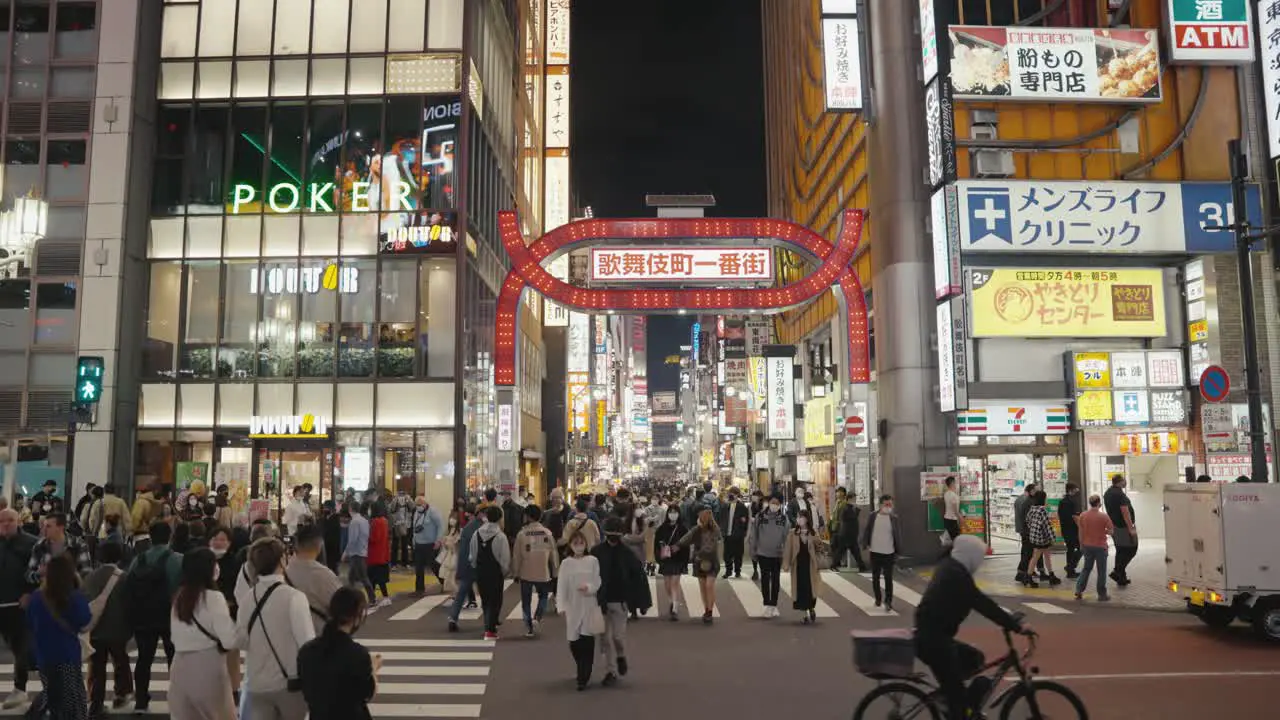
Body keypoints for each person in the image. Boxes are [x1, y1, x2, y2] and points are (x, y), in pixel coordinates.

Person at [915, 535, 1031, 720]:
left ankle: (952, 696)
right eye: (979, 559)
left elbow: (981, 601)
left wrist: (1010, 620)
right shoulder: (956, 575)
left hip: (933, 636)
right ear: (970, 557)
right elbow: (983, 604)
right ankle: (956, 705)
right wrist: (1014, 625)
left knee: (974, 658)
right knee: (958, 702)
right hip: (933, 641)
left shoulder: (951, 567)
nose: (980, 563)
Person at [236, 538, 315, 720]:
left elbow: (241, 641)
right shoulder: (294, 597)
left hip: (255, 683)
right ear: (282, 560)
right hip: (289, 684)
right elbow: (307, 644)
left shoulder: (247, 599)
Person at [169, 547, 238, 720]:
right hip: (207, 665)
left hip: (180, 666)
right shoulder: (214, 598)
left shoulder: (179, 596)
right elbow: (229, 641)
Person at [125, 521, 183, 713]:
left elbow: (128, 586)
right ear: (170, 536)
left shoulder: (138, 560)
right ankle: (177, 699)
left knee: (144, 659)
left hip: (143, 617)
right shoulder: (178, 559)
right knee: (173, 658)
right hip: (169, 616)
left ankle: (141, 701)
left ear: (150, 537)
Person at [24, 554, 90, 720]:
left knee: (52, 694)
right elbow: (84, 620)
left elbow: (30, 622)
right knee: (71, 699)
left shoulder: (36, 598)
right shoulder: (73, 597)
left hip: (44, 656)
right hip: (67, 655)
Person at [298, 587, 381, 720]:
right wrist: (373, 669)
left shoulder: (307, 651)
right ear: (357, 616)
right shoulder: (357, 654)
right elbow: (368, 694)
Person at [592, 516, 646, 686]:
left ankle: (621, 655)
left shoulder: (627, 553)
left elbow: (639, 576)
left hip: (620, 600)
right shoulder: (596, 552)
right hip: (600, 601)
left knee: (617, 637)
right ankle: (610, 671)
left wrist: (641, 602)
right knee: (604, 639)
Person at [83, 540, 133, 716]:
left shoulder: (89, 577)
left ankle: (95, 705)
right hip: (119, 629)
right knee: (120, 660)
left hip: (95, 629)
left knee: (97, 668)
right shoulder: (124, 577)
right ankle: (121, 693)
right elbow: (130, 603)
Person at [0, 508, 36, 710]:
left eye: (10, 520)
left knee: (19, 647)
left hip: (18, 606)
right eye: (2, 521)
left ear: (18, 522)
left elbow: (38, 572)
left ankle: (19, 688)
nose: (6, 524)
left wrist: (30, 593)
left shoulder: (31, 544)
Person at [556, 530, 602, 691]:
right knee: (574, 641)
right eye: (575, 543)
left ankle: (583, 675)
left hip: (589, 603)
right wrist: (560, 605)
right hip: (572, 606)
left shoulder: (593, 561)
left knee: (587, 640)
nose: (579, 546)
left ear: (586, 544)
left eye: (581, 543)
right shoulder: (566, 563)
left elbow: (597, 581)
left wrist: (588, 587)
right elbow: (561, 585)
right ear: (570, 545)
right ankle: (581, 666)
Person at [285, 524, 343, 635]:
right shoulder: (325, 575)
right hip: (319, 638)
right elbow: (342, 605)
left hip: (289, 636)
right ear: (320, 545)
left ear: (296, 545)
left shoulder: (284, 572)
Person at [511, 504, 559, 637]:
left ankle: (529, 627)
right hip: (543, 572)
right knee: (543, 596)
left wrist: (516, 573)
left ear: (527, 516)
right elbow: (554, 554)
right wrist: (555, 571)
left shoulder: (522, 534)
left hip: (526, 572)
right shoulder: (547, 533)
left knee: (525, 600)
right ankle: (537, 617)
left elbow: (517, 556)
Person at [469, 506, 511, 640]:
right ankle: (490, 630)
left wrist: (475, 567)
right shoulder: (500, 536)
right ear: (500, 518)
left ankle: (488, 624)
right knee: (496, 600)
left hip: (481, 570)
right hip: (495, 572)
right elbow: (504, 558)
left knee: (485, 599)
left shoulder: (477, 533)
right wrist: (505, 572)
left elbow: (472, 555)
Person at [674, 509, 723, 623]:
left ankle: (710, 611)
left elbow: (712, 546)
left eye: (699, 519)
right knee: (703, 587)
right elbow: (685, 539)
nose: (698, 521)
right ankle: (707, 609)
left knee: (709, 585)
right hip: (700, 562)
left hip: (711, 561)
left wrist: (698, 553)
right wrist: (677, 546)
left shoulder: (715, 530)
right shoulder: (696, 530)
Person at [861, 494, 903, 611]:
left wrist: (898, 550)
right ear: (880, 505)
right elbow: (867, 530)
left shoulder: (894, 518)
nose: (889, 506)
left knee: (888, 578)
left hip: (889, 552)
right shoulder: (873, 516)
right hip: (875, 551)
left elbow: (897, 535)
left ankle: (888, 601)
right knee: (875, 577)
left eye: (890, 504)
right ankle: (878, 598)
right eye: (886, 504)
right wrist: (865, 543)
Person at [26, 512, 92, 585]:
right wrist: (38, 574)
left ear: (60, 527)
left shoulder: (78, 545)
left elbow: (87, 574)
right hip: (46, 591)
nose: (43, 529)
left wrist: (69, 576)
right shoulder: (39, 546)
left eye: (48, 526)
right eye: (43, 526)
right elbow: (28, 575)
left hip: (71, 591)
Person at [446, 508, 484, 633]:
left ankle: (453, 618)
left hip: (466, 564)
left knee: (461, 594)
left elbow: (462, 550)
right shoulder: (485, 528)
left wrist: (460, 568)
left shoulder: (467, 528)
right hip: (480, 565)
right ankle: (489, 620)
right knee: (486, 594)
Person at [751, 494, 789, 618]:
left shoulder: (783, 519)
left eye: (777, 504)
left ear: (780, 505)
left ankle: (774, 604)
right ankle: (768, 604)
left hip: (777, 554)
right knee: (765, 579)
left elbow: (787, 536)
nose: (774, 505)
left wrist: (786, 553)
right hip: (762, 553)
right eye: (772, 503)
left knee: (776, 580)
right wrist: (753, 550)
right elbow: (754, 534)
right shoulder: (760, 517)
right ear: (768, 503)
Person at [783, 509, 823, 624]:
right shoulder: (792, 533)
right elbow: (788, 550)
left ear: (806, 519)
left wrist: (818, 545)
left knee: (810, 588)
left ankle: (811, 608)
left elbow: (820, 547)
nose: (799, 520)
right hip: (798, 566)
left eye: (801, 517)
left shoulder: (813, 532)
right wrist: (786, 564)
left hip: (810, 565)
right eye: (798, 517)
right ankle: (804, 614)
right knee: (800, 589)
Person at [1074, 493, 1115, 602]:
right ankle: (1102, 595)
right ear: (1099, 503)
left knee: (1086, 568)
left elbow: (1080, 531)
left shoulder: (1083, 515)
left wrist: (1081, 544)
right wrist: (1104, 531)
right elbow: (1111, 531)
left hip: (1087, 546)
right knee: (1101, 571)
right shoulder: (1104, 516)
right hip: (1100, 547)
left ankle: (1079, 590)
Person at [653, 503, 689, 620]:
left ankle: (674, 607)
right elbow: (656, 545)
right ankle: (671, 601)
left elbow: (686, 545)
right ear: (667, 514)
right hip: (666, 559)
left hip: (678, 559)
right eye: (671, 512)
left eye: (675, 512)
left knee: (674, 583)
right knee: (667, 584)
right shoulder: (661, 529)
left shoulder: (683, 529)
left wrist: (685, 559)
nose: (673, 514)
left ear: (679, 514)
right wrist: (659, 557)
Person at [1104, 474, 1138, 587]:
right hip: (1123, 527)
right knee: (1132, 549)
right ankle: (1117, 571)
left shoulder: (1108, 493)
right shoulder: (1119, 494)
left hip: (1114, 526)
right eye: (1124, 480)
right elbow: (1125, 512)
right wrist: (1131, 528)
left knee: (1120, 550)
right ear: (1120, 481)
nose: (1126, 482)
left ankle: (1121, 578)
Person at [1023, 491, 1060, 588]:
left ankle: (1051, 575)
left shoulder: (1032, 509)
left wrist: (1034, 529)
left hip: (1034, 536)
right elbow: (1047, 526)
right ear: (1043, 499)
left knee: (1043, 555)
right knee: (1037, 557)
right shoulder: (1042, 510)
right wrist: (1053, 538)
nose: (1046, 499)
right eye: (1045, 497)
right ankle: (1029, 577)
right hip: (1042, 538)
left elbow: (1027, 520)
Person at [343, 502, 376, 606]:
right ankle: (350, 598)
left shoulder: (354, 522)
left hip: (356, 553)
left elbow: (352, 539)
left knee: (362, 577)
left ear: (350, 509)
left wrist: (346, 552)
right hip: (362, 550)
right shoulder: (364, 521)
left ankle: (372, 598)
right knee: (352, 577)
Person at [410, 496, 444, 595]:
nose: (418, 507)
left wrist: (438, 541)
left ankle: (444, 582)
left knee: (433, 566)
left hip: (430, 544)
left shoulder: (433, 512)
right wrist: (414, 540)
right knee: (419, 567)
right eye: (416, 505)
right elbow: (414, 527)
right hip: (419, 544)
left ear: (425, 504)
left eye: (420, 505)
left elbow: (440, 526)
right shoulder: (417, 512)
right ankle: (419, 589)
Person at [1013, 483, 1044, 583]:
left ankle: (1027, 572)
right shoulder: (1028, 502)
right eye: (1036, 490)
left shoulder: (1021, 500)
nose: (1037, 492)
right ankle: (1023, 573)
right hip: (1028, 531)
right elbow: (1027, 518)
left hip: (1025, 530)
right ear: (1031, 491)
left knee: (1028, 552)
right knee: (1028, 552)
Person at [834, 487, 868, 572]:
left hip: (850, 534)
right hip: (846, 534)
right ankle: (834, 565)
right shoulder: (845, 507)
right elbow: (846, 518)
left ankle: (862, 566)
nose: (855, 500)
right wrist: (857, 510)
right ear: (850, 498)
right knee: (843, 551)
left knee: (853, 551)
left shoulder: (850, 507)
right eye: (854, 499)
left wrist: (856, 510)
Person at [719, 488, 750, 579]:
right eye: (730, 493)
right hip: (727, 534)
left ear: (737, 495)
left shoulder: (742, 506)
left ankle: (737, 571)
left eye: (734, 494)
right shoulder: (725, 506)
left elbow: (745, 520)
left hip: (738, 534)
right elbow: (721, 518)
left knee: (738, 554)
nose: (732, 495)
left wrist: (743, 531)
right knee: (727, 554)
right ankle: (728, 571)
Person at [366, 503, 392, 607]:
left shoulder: (375, 522)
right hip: (383, 554)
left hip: (374, 554)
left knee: (373, 577)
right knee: (380, 578)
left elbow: (374, 538)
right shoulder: (384, 521)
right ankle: (379, 598)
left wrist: (366, 537)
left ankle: (375, 598)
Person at [1058, 483, 1083, 579]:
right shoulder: (1072, 501)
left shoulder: (1062, 501)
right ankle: (1070, 567)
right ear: (1071, 490)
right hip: (1073, 530)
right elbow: (1075, 517)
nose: (1077, 490)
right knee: (1082, 548)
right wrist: (1081, 527)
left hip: (1065, 529)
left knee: (1070, 549)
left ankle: (1070, 571)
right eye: (1076, 489)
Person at [438, 510, 462, 599]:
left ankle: (458, 593)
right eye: (451, 518)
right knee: (448, 576)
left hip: (454, 555)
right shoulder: (450, 530)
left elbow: (457, 544)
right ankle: (455, 593)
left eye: (454, 518)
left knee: (451, 575)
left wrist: (449, 543)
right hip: (449, 555)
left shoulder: (459, 531)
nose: (451, 520)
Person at [388, 489, 414, 568]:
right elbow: (391, 509)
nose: (401, 496)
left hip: (406, 525)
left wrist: (408, 499)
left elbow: (413, 507)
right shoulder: (394, 499)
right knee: (395, 545)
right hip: (396, 524)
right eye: (400, 494)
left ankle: (405, 562)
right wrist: (395, 499)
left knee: (405, 544)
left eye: (403, 494)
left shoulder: (408, 499)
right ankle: (393, 563)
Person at [747, 490, 764, 580]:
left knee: (762, 552)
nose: (754, 497)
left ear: (760, 496)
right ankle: (755, 571)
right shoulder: (751, 506)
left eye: (755, 496)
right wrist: (747, 535)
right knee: (753, 551)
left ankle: (763, 571)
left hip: (763, 530)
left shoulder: (764, 506)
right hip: (753, 530)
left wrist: (757, 520)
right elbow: (749, 519)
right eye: (753, 496)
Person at [941, 476, 962, 544]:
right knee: (956, 541)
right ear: (952, 483)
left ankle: (952, 553)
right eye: (955, 482)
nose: (956, 484)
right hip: (952, 521)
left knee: (952, 541)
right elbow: (956, 512)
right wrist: (962, 520)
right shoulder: (954, 496)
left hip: (946, 520)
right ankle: (954, 554)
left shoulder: (946, 494)